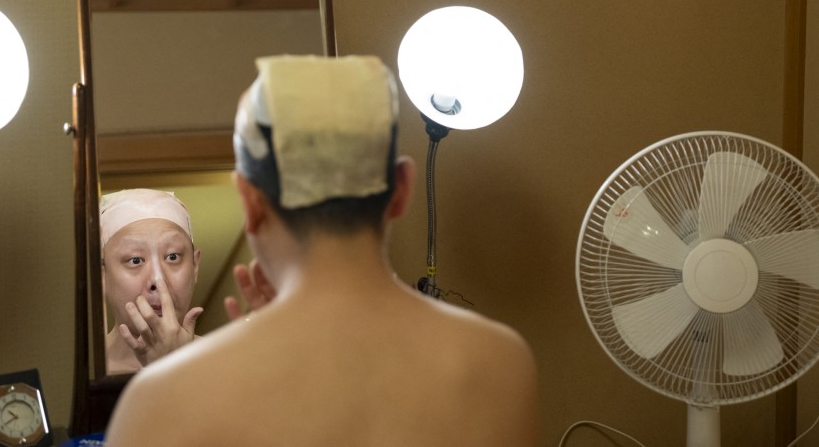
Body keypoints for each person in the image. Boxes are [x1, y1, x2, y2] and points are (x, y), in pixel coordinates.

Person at [106, 55, 540, 446]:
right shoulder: (501, 362)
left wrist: (192, 382)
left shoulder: (159, 400)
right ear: (402, 190)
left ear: (250, 204)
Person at [99, 188, 203, 374]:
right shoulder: (80, 376)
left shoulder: (232, 363)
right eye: (135, 260)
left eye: (172, 257)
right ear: (102, 275)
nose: (158, 279)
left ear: (195, 266)